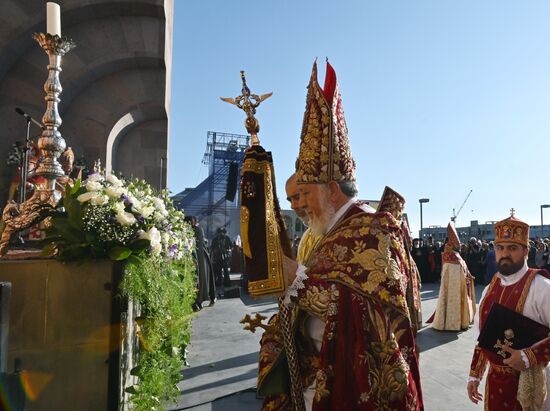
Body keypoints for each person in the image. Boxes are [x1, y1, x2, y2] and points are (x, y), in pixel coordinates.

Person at [271, 61, 423, 410]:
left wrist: (296, 279)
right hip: (325, 372)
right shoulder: (330, 229)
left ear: (333, 190)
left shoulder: (375, 229)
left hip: (360, 387)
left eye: (305, 193)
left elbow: (367, 311)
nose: (300, 205)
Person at [467, 213, 550, 410]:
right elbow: (483, 337)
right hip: (495, 384)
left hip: (533, 385)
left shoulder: (543, 287)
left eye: (512, 248)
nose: (505, 254)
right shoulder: (490, 288)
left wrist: (530, 356)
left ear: (526, 251)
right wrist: (474, 375)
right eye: (500, 248)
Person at [430, 223, 475, 331]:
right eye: (457, 243)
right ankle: (451, 324)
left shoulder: (456, 254)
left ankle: (461, 321)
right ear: (452, 243)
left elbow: (463, 267)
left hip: (461, 285)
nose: (459, 245)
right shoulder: (449, 255)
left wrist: (468, 275)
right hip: (453, 287)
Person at [185, 216, 216, 310]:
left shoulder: (197, 230)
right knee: (199, 279)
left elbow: (199, 243)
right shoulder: (189, 230)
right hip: (197, 256)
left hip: (200, 256)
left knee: (202, 278)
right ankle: (198, 301)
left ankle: (201, 300)